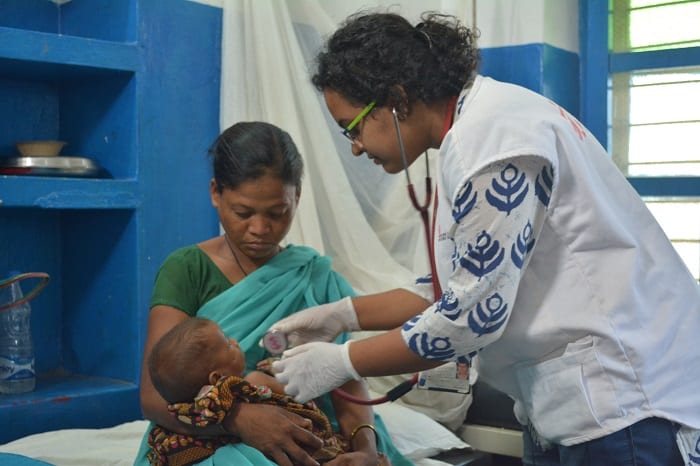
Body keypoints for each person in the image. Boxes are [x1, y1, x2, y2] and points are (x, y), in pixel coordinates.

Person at [270, 11, 700, 466]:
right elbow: (454, 286)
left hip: (623, 405)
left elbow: (471, 315)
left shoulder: (494, 142)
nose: (355, 146)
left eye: (351, 127)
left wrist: (344, 362)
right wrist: (342, 315)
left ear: (396, 99)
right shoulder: (479, 129)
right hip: (578, 402)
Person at [134, 121, 412, 466]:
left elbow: (346, 386)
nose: (260, 229)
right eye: (243, 213)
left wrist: (365, 448)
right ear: (215, 193)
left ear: (296, 197)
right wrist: (239, 420)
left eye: (277, 213)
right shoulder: (187, 270)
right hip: (207, 434)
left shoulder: (316, 279)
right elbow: (152, 397)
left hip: (310, 430)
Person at [146, 317, 362, 465]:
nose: (235, 342)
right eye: (227, 344)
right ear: (217, 377)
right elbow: (304, 395)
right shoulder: (254, 380)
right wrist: (286, 370)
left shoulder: (192, 412)